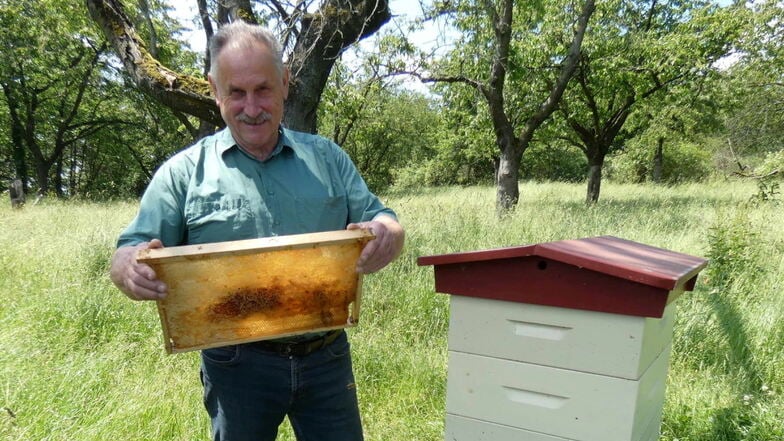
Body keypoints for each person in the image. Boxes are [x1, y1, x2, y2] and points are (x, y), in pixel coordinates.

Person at [109, 20, 405, 441]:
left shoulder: (328, 160)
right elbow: (129, 249)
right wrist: (129, 267)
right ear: (214, 89)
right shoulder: (182, 174)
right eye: (236, 92)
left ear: (285, 83)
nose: (252, 107)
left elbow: (383, 218)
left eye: (263, 89)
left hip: (326, 356)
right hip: (236, 365)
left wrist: (387, 232)